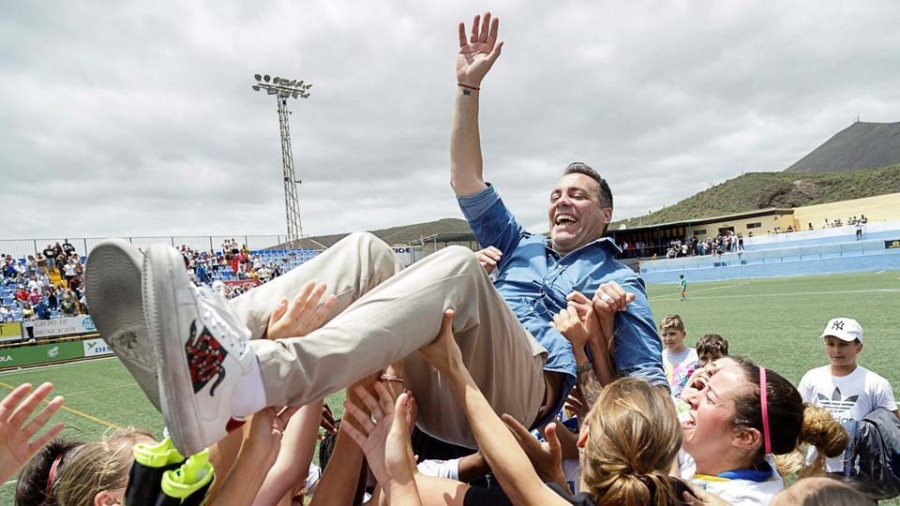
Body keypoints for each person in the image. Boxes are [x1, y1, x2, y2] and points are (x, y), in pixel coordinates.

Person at [88, 11, 664, 457]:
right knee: (367, 249)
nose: (562, 200)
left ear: (606, 214)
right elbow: (466, 179)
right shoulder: (521, 245)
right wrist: (469, 89)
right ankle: (212, 338)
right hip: (441, 372)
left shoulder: (619, 281)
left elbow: (649, 397)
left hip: (518, 397)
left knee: (460, 268)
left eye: (579, 195)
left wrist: (600, 338)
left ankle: (256, 379)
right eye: (557, 193)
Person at [680, 360, 848, 505]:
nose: (690, 397)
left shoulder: (745, 499)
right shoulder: (709, 452)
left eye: (709, 398)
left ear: (745, 437)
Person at [798, 318, 898, 474]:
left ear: (858, 348)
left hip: (861, 470)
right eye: (830, 344)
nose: (836, 350)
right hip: (818, 467)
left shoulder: (876, 383)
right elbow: (798, 416)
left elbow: (892, 428)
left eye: (843, 344)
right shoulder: (812, 378)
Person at [660, 314, 698, 397]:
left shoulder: (695, 356)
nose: (668, 338)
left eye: (672, 334)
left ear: (683, 334)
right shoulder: (659, 357)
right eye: (664, 335)